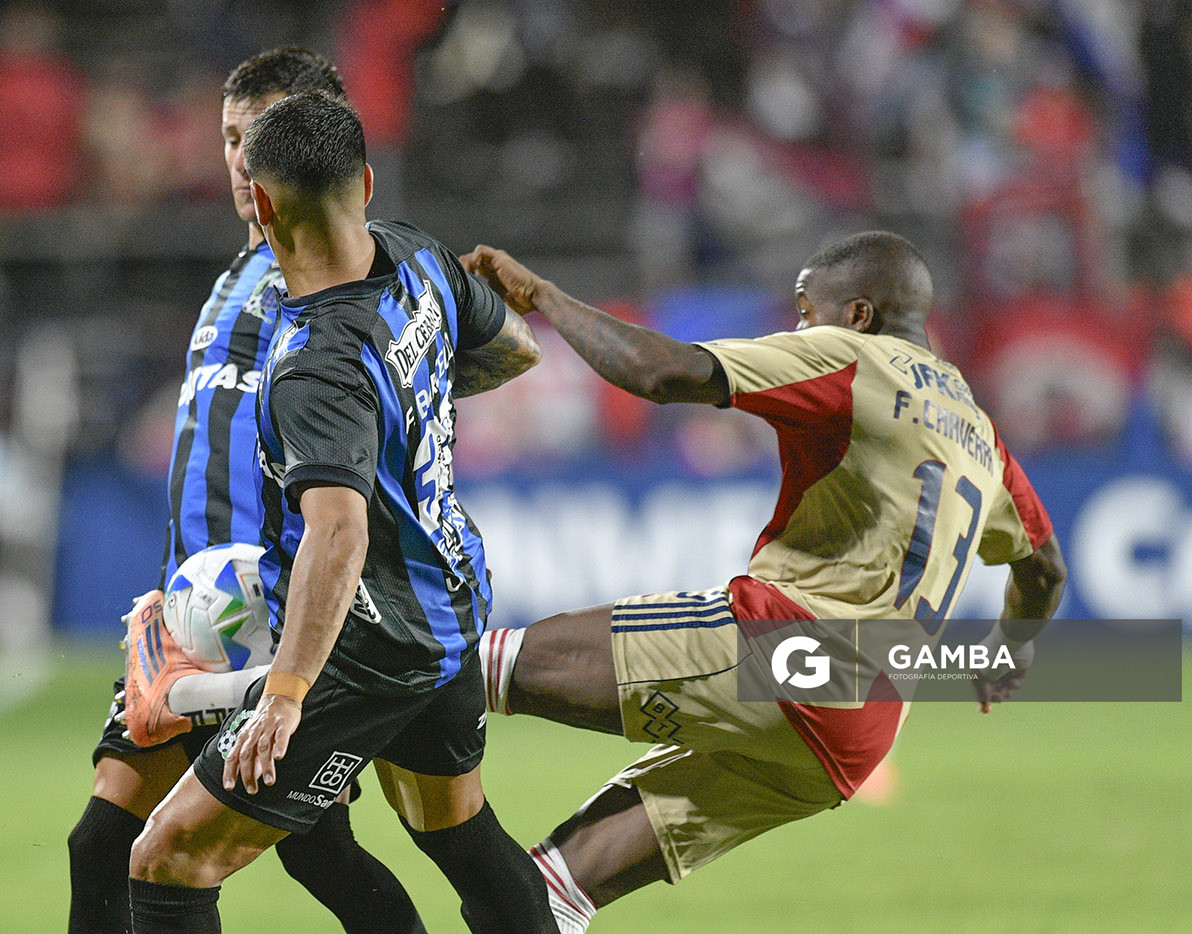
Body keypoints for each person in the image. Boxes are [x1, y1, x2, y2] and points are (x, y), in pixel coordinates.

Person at [467, 232, 1068, 932]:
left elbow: (662, 373)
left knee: (473, 665)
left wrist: (542, 297)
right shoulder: (977, 429)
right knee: (550, 897)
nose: (798, 327)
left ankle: (313, 773)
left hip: (793, 650)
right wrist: (1007, 648)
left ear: (860, 314)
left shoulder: (850, 358)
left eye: (807, 309)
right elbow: (1045, 569)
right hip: (860, 733)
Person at [126, 91, 557, 934]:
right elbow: (519, 349)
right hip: (449, 603)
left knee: (169, 859)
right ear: (365, 182)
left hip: (368, 647)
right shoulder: (421, 257)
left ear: (260, 204)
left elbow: (338, 531)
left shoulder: (316, 366)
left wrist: (284, 695)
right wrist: (402, 397)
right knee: (458, 830)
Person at [67, 49, 426, 934]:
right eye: (228, 137)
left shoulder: (333, 288)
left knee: (310, 852)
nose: (238, 157)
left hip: (260, 620)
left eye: (257, 137)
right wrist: (172, 590)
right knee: (103, 842)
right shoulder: (239, 273)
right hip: (194, 611)